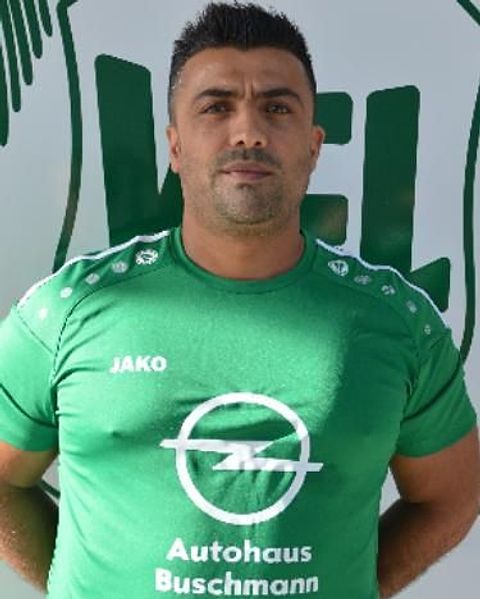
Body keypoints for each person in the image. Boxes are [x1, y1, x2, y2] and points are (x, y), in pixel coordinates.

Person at [0, 2, 478, 598]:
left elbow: (449, 497)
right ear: (175, 146)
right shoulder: (68, 311)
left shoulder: (397, 321)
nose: (248, 132)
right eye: (216, 107)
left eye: (277, 108)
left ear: (314, 146)